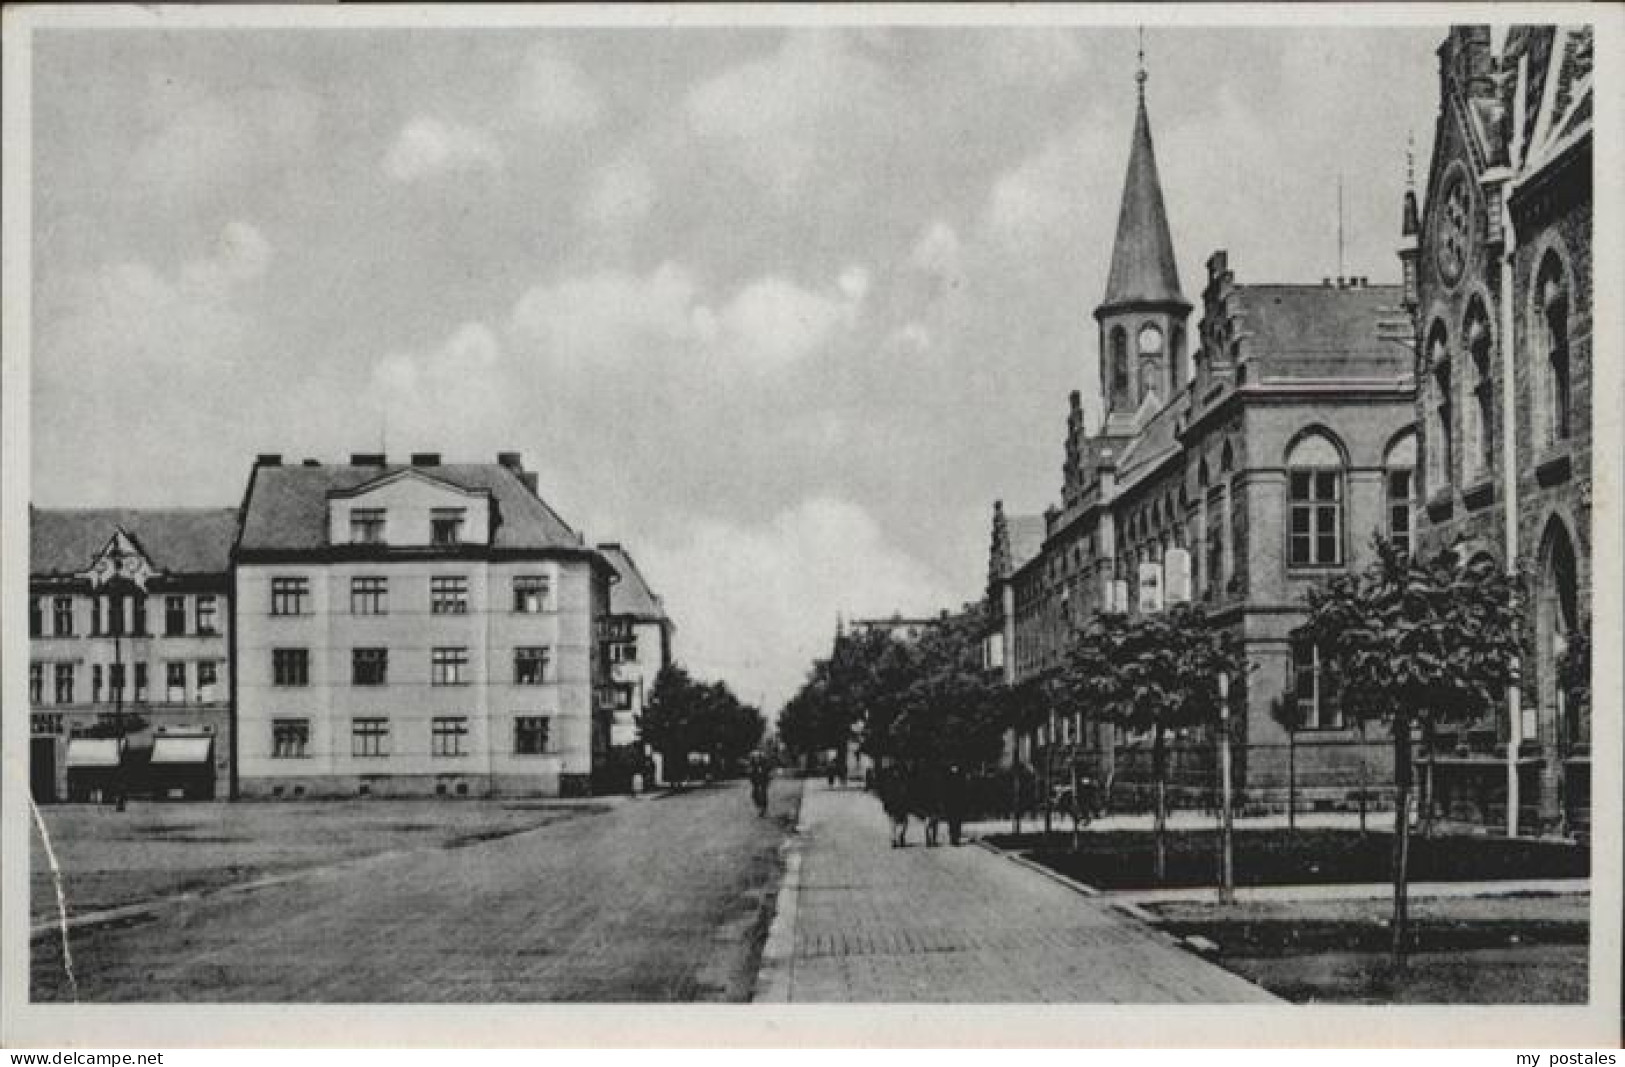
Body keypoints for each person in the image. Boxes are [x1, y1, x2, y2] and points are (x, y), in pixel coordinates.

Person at [877, 763, 910, 847]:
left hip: (893, 805)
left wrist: (885, 803)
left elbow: (882, 793)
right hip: (899, 805)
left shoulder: (888, 781)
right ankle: (898, 837)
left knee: (894, 822)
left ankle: (894, 838)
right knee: (903, 822)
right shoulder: (903, 781)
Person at [944, 763, 968, 846]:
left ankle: (956, 837)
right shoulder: (948, 778)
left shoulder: (961, 778)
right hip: (950, 803)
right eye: (953, 767)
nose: (954, 769)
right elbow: (945, 791)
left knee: (958, 821)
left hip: (958, 803)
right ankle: (953, 837)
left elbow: (964, 790)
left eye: (956, 767)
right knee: (952, 821)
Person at [747, 753, 772, 817]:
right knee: (754, 794)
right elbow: (750, 774)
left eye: (758, 758)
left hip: (764, 779)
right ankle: (760, 807)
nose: (756, 760)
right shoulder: (752, 765)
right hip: (756, 780)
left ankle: (763, 809)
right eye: (755, 758)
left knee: (763, 793)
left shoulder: (764, 763)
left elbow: (768, 772)